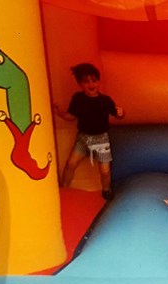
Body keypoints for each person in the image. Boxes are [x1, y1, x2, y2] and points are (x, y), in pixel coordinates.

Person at [53, 63, 124, 201]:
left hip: (101, 139)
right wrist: (60, 113)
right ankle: (64, 187)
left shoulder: (105, 101)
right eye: (86, 81)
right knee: (71, 164)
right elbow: (71, 116)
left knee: (105, 170)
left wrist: (121, 113)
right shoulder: (78, 99)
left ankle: (106, 190)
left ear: (98, 81)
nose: (91, 84)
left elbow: (118, 114)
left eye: (94, 80)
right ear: (80, 84)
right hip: (84, 138)